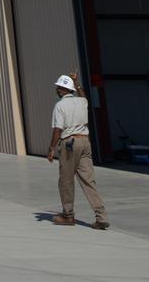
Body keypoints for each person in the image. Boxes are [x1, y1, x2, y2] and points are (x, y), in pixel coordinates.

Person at [48, 72, 108, 229]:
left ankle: (68, 216)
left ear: (61, 89)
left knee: (66, 180)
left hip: (69, 144)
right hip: (85, 142)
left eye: (57, 87)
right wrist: (77, 82)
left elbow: (58, 129)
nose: (56, 89)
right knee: (88, 180)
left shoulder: (60, 105)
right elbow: (83, 96)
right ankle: (101, 216)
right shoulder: (82, 102)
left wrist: (51, 148)